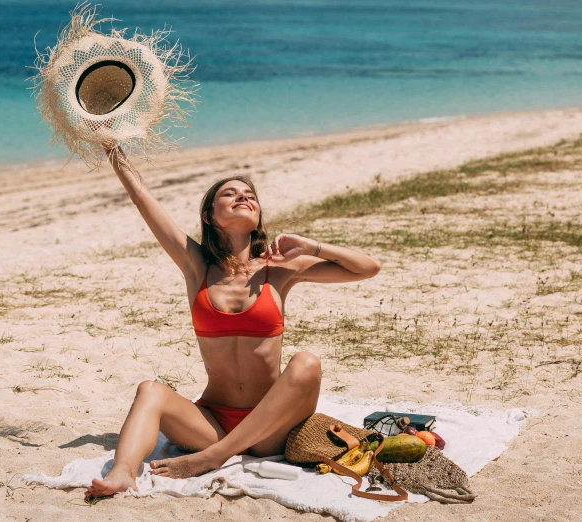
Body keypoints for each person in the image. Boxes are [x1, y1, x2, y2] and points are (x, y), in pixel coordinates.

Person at [85, 146, 382, 500]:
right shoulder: (196, 266)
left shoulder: (280, 269)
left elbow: (368, 267)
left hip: (272, 426)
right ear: (209, 216)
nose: (243, 196)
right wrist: (112, 148)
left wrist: (310, 246)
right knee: (150, 389)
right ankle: (122, 474)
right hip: (212, 422)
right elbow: (142, 197)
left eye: (250, 195)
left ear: (257, 216)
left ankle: (214, 458)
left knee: (307, 364)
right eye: (230, 193)